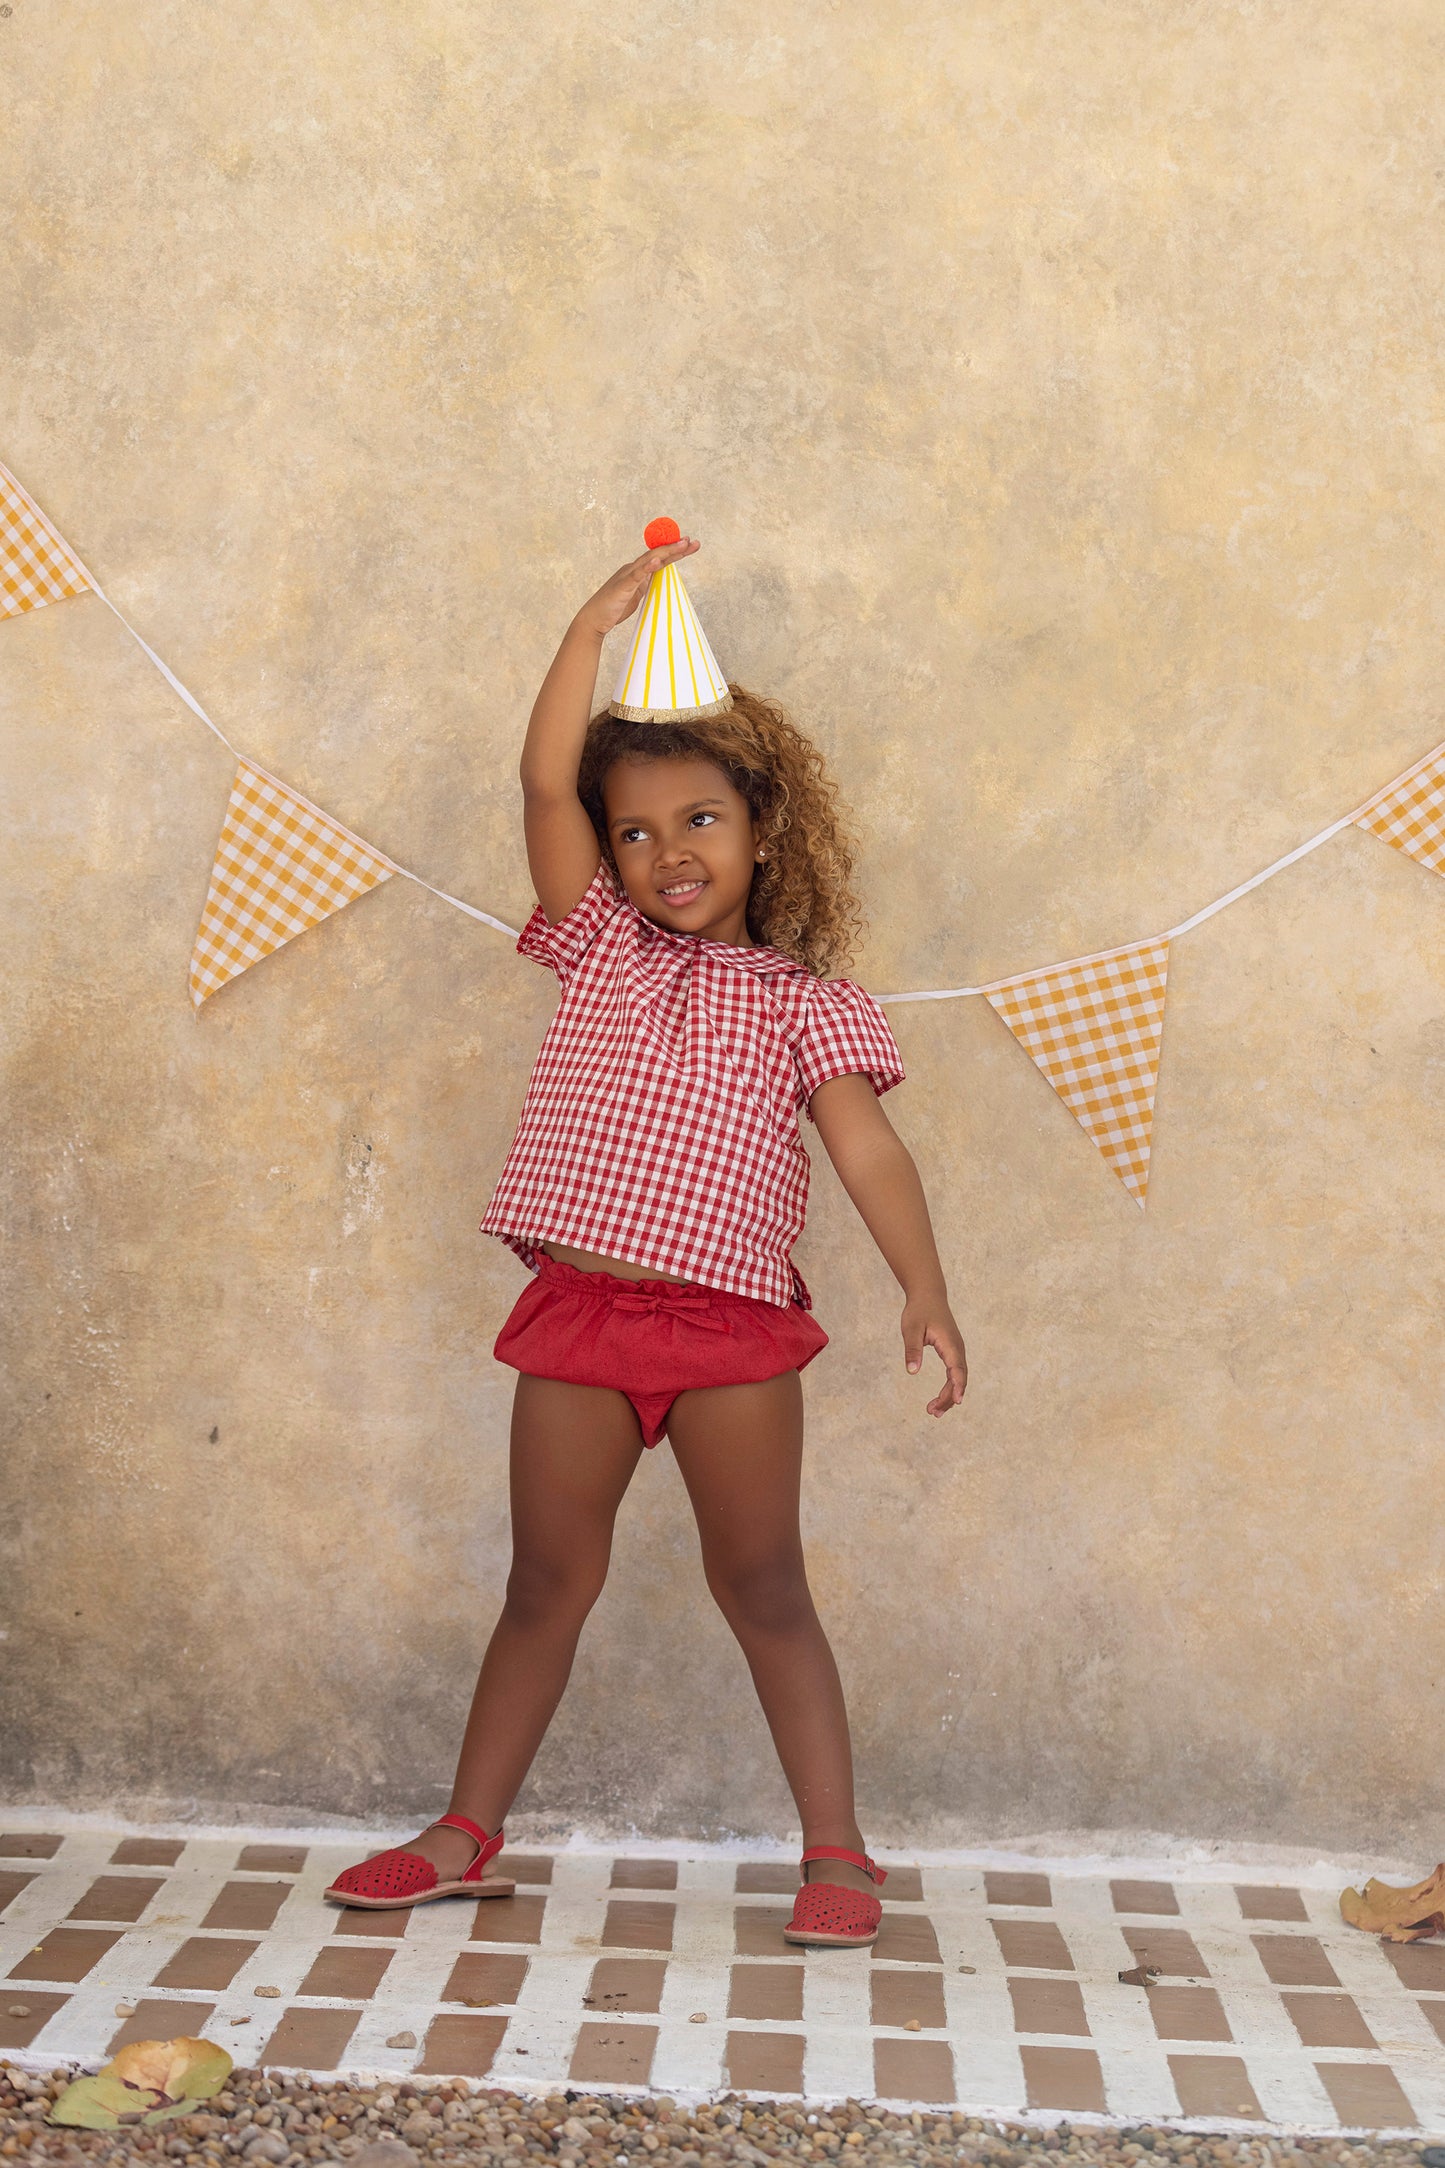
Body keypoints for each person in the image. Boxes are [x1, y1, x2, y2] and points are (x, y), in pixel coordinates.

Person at [324, 527, 969, 1947]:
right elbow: (540, 778)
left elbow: (863, 1141)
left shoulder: (803, 998)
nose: (665, 852)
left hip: (730, 1332)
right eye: (634, 830)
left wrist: (921, 1284)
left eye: (698, 822)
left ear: (760, 833)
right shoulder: (594, 943)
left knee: (764, 1586)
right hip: (582, 1320)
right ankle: (462, 1831)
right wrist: (585, 634)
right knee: (545, 1582)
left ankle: (838, 1852)